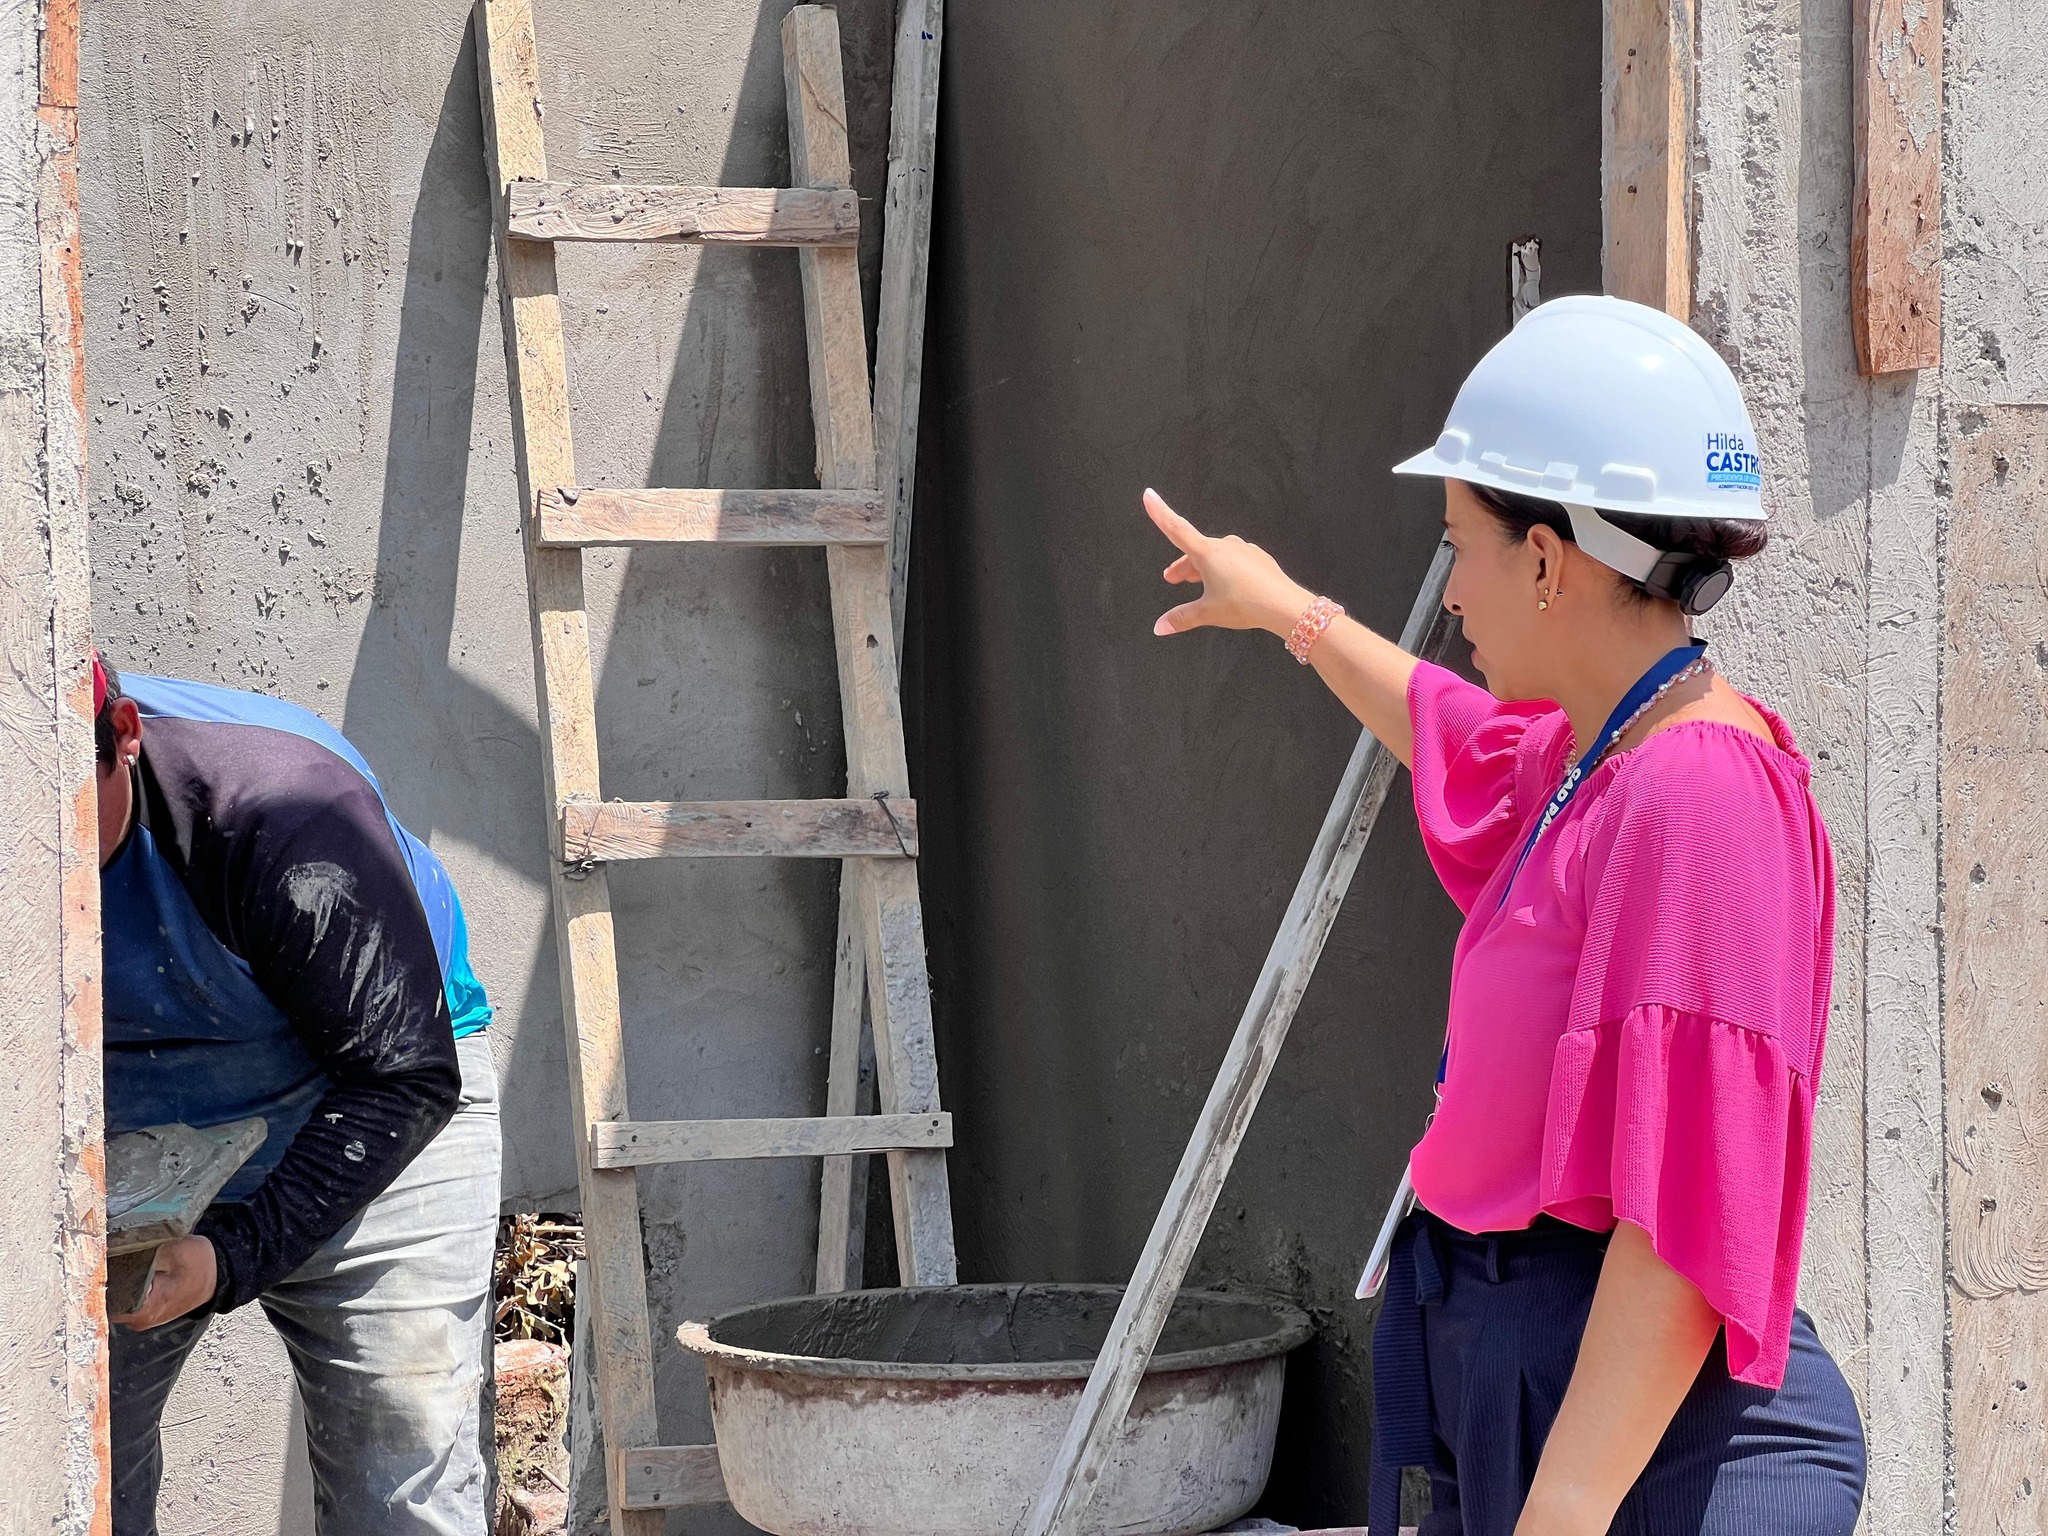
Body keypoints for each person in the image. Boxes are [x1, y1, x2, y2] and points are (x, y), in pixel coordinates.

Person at [1141, 296, 1865, 1535]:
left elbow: (1684, 1223)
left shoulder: (1695, 794)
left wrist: (1561, 1512)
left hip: (1649, 1443)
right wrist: (1283, 609)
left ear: (1543, 560)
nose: (1452, 597)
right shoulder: (1594, 757)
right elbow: (1451, 735)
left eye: (1457, 549)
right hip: (1532, 1385)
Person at [95, 654, 501, 1536]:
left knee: (401, 1480)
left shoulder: (281, 813)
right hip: (123, 1122)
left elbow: (405, 1075)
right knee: (59, 1463)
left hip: (371, 1099)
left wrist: (228, 1257)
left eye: (49, 812)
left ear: (122, 736)